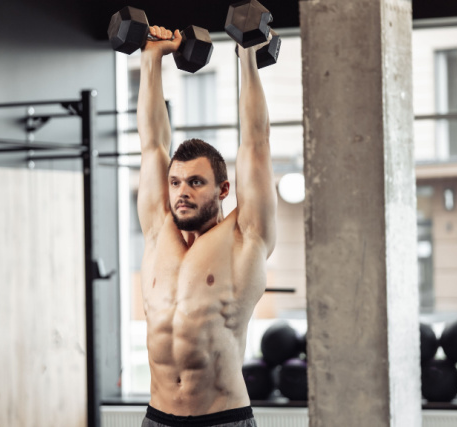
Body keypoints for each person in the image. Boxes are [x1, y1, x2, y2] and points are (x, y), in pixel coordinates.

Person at [137, 24, 276, 427]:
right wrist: (151, 57)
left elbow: (256, 142)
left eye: (196, 182)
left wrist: (248, 56)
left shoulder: (245, 237)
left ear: (223, 189)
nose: (182, 191)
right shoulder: (156, 231)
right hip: (157, 419)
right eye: (176, 181)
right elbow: (151, 144)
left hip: (223, 419)